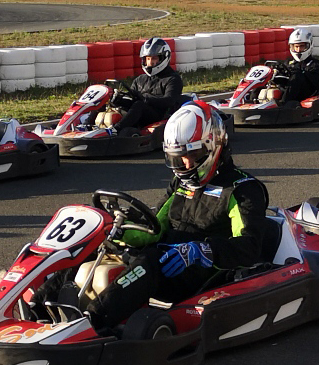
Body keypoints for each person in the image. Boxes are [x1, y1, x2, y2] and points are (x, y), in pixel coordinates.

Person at [84, 100, 280, 333]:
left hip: (205, 272)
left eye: (192, 154)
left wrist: (200, 250)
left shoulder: (242, 189)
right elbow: (156, 225)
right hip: (167, 260)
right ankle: (41, 304)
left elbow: (249, 247)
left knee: (149, 262)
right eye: (178, 156)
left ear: (214, 144)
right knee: (95, 243)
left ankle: (92, 322)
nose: (185, 164)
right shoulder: (180, 182)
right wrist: (120, 231)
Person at [111, 37, 186, 129]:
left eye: (154, 58)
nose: (150, 63)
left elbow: (169, 101)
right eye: (148, 59)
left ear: (163, 58)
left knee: (139, 105)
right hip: (140, 114)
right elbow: (132, 99)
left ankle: (116, 129)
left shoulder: (172, 79)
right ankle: (90, 126)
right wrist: (119, 100)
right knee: (111, 102)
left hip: (160, 115)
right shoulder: (140, 79)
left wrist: (145, 98)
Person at [278, 26, 319, 101]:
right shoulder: (289, 63)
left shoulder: (315, 64)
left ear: (309, 46)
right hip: (290, 91)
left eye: (302, 46)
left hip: (307, 94)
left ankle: (283, 104)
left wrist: (301, 74)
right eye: (296, 47)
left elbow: (318, 84)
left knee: (297, 76)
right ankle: (257, 100)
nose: (298, 50)